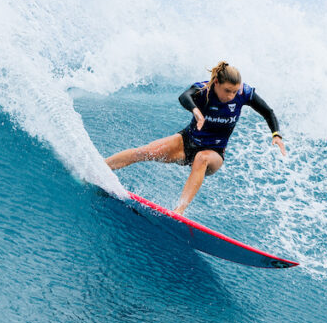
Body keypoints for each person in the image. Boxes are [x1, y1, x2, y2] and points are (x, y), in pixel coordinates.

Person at [105, 61, 287, 214]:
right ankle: (101, 168)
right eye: (227, 91)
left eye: (235, 91)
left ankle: (179, 211)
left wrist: (276, 134)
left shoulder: (243, 93)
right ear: (216, 82)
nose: (231, 95)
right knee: (146, 151)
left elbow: (267, 111)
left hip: (213, 153)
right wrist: (196, 112)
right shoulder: (203, 90)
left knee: (202, 158)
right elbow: (184, 96)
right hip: (187, 141)